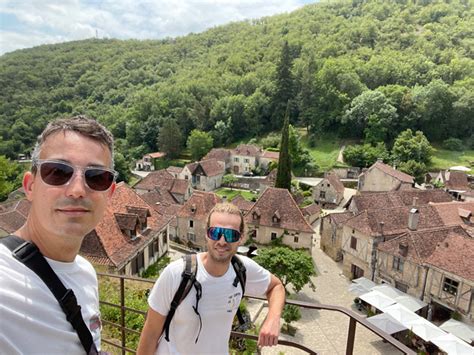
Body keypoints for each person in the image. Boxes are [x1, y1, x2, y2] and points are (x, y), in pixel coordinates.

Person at [0, 115, 117, 354]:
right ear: (30, 186)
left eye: (96, 177)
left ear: (110, 192)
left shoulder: (86, 273)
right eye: (57, 172)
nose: (76, 190)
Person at [137, 203, 285, 355]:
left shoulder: (242, 268)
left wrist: (273, 319)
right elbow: (150, 334)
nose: (222, 241)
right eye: (216, 233)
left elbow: (276, 287)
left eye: (230, 235)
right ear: (207, 234)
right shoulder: (176, 274)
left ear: (240, 239)